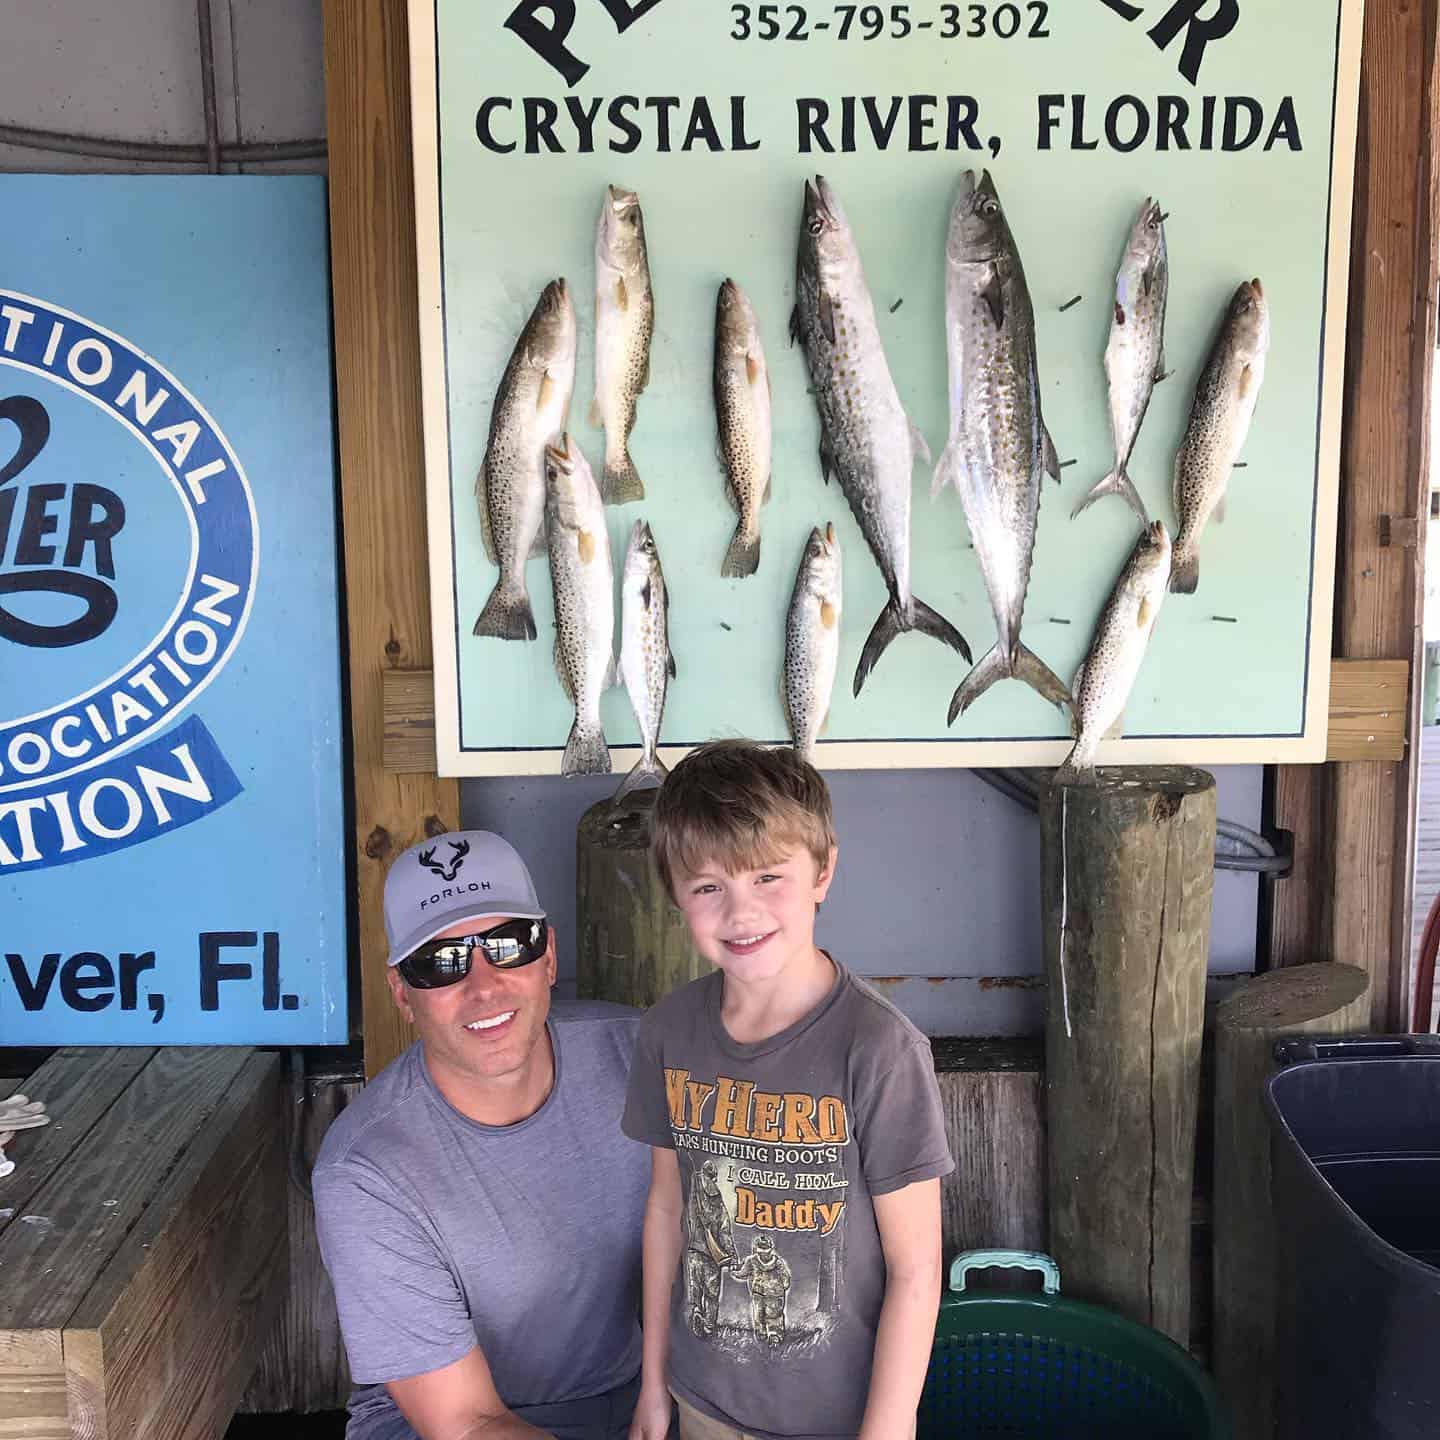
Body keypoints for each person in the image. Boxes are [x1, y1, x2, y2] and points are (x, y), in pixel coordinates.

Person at [621, 742, 954, 1440]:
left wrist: (885, 1430)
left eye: (768, 876)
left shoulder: (880, 1048)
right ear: (675, 893)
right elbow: (667, 1209)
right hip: (702, 1402)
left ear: (822, 871)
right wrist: (653, 1384)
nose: (741, 912)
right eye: (708, 887)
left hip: (840, 1419)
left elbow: (917, 1269)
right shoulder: (667, 1032)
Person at [313, 829, 652, 1440]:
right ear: (402, 992)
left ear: (548, 956)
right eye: (440, 962)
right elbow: (468, 1424)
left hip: (634, 1397)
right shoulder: (365, 1172)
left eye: (507, 944)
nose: (484, 986)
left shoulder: (641, 1056)